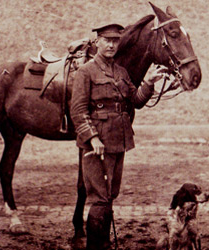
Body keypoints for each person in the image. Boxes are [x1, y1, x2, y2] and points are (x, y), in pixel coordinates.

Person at [70, 23, 167, 249]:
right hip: (98, 144)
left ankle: (103, 243)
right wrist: (92, 138)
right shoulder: (86, 71)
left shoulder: (121, 72)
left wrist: (149, 83)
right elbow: (78, 110)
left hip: (119, 141)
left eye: (116, 41)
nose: (112, 45)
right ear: (98, 42)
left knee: (110, 196)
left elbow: (136, 101)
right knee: (99, 198)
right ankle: (96, 246)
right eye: (107, 40)